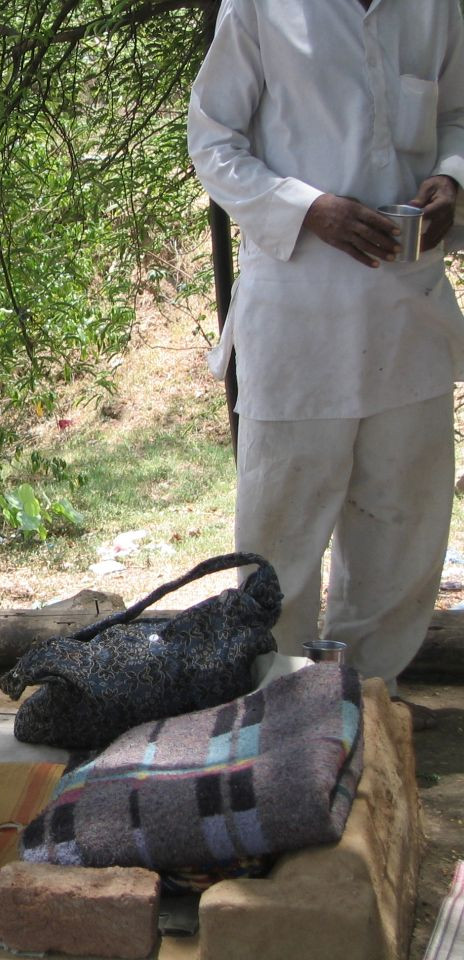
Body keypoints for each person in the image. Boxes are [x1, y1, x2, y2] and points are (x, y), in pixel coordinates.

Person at [188, 0, 464, 725]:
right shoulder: (261, 7)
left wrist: (452, 179)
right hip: (297, 319)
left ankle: (369, 708)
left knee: (402, 528)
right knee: (280, 536)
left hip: (409, 316)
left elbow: (458, 116)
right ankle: (278, 716)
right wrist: (308, 208)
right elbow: (212, 140)